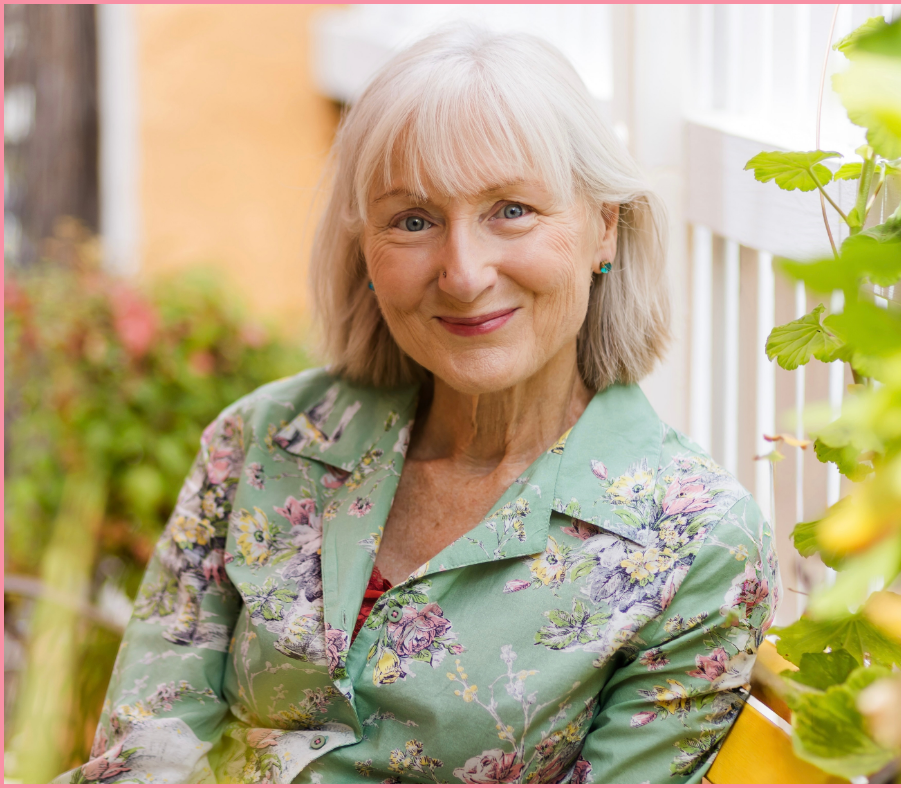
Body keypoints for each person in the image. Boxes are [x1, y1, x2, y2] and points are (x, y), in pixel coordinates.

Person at [59, 25, 778, 785]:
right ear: (364, 248)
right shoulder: (263, 440)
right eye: (413, 221)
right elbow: (144, 747)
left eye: (511, 210)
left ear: (606, 225)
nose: (463, 274)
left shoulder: (694, 545)